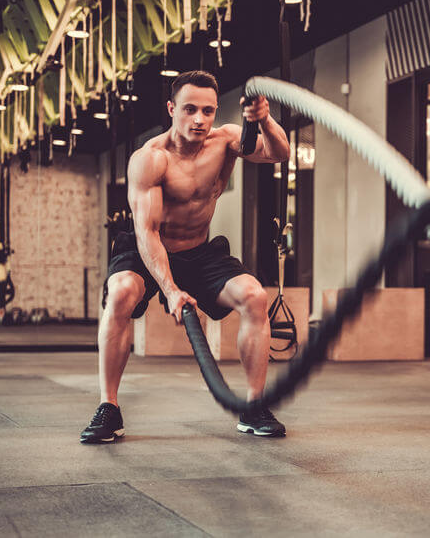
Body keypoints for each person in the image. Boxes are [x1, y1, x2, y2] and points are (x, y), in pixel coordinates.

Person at [80, 70, 290, 443]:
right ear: (171, 108)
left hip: (199, 251)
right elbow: (147, 233)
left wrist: (264, 120)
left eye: (208, 111)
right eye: (190, 109)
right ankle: (108, 407)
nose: (200, 119)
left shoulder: (225, 141)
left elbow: (279, 153)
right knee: (122, 293)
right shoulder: (150, 159)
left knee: (255, 296)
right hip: (146, 250)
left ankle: (254, 406)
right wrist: (170, 289)